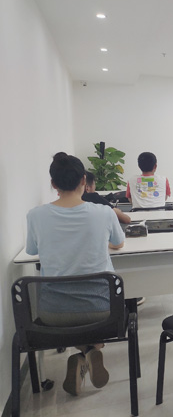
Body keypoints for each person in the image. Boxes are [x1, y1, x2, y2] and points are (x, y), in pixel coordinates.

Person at [26, 152, 125, 397]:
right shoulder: (103, 213)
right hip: (103, 309)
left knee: (71, 315)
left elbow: (32, 250)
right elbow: (118, 242)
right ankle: (91, 351)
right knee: (92, 316)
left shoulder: (36, 215)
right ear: (84, 181)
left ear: (53, 184)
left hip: (53, 314)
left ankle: (83, 356)